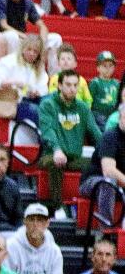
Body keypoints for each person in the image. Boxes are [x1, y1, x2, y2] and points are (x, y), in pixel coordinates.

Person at [39, 70, 101, 213]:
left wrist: (108, 153)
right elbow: (48, 131)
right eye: (68, 85)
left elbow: (95, 133)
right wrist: (57, 149)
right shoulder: (48, 104)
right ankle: (58, 207)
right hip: (50, 154)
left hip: (74, 158)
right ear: (59, 85)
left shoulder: (83, 108)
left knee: (100, 164)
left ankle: (90, 209)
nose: (72, 89)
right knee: (56, 162)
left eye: (75, 85)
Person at [5, 204, 64, 274]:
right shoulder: (10, 246)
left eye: (40, 220)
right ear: (24, 222)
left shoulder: (54, 251)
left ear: (47, 223)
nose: (35, 224)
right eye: (31, 220)